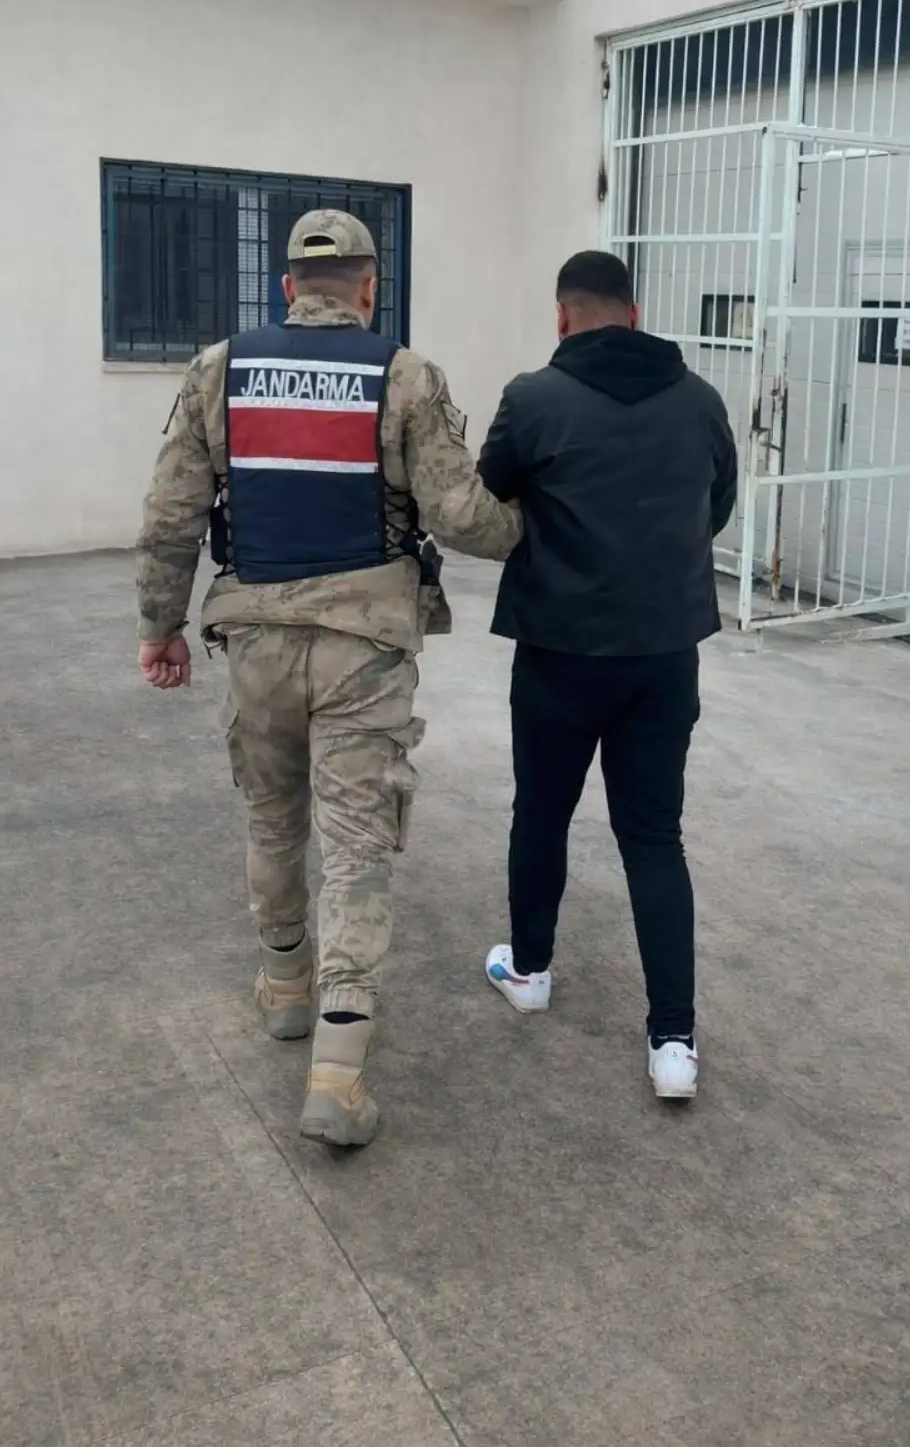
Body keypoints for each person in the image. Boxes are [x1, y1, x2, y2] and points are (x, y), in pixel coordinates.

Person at [136, 209, 520, 1147]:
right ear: (368, 288)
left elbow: (171, 515)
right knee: (355, 845)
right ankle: (338, 1077)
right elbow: (460, 516)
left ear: (285, 288)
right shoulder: (404, 375)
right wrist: (529, 528)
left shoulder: (217, 370)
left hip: (256, 643)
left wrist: (161, 627)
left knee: (273, 819)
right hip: (364, 651)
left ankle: (283, 989)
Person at [477, 250, 738, 1099]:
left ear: (562, 316)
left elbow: (486, 498)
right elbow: (717, 505)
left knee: (541, 814)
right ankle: (674, 1043)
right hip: (663, 654)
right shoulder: (700, 400)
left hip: (558, 650)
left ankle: (529, 972)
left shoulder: (534, 399)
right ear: (635, 312)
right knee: (654, 838)